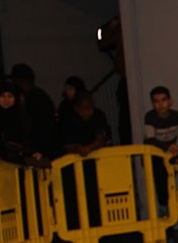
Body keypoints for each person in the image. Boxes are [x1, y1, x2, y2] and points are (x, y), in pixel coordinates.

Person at [143, 86, 178, 243]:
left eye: (164, 100)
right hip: (155, 159)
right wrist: (169, 147)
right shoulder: (150, 117)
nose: (160, 105)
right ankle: (167, 235)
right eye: (156, 101)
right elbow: (150, 140)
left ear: (170, 101)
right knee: (163, 195)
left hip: (171, 159)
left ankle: (168, 230)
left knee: (171, 195)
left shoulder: (177, 115)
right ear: (152, 104)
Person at [59, 91, 111, 230]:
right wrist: (78, 148)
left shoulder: (98, 116)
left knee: (95, 200)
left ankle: (98, 235)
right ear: (76, 108)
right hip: (72, 169)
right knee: (75, 201)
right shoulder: (68, 120)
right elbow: (65, 144)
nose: (87, 112)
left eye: (90, 108)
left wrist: (88, 148)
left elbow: (102, 139)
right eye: (83, 109)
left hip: (95, 166)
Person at [10, 63, 58, 160]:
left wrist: (39, 149)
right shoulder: (40, 96)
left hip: (38, 151)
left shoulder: (34, 98)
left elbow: (42, 126)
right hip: (41, 149)